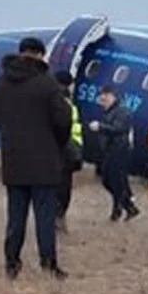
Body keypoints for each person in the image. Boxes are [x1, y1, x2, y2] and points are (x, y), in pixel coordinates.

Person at [0, 37, 73, 279]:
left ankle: (11, 263)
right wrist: (57, 143)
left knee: (15, 217)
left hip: (14, 161)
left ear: (20, 52)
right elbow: (63, 120)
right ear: (40, 55)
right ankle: (48, 264)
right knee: (45, 217)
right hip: (45, 161)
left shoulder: (0, 84)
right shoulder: (47, 85)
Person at [90, 86, 140, 220]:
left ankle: (125, 207)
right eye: (102, 96)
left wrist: (100, 127)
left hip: (119, 150)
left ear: (113, 96)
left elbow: (119, 128)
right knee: (109, 180)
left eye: (105, 96)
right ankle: (124, 206)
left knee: (114, 181)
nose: (103, 99)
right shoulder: (110, 112)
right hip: (111, 150)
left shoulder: (122, 112)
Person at [54, 71, 84, 234]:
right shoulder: (65, 104)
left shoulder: (57, 101)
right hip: (66, 152)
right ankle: (58, 217)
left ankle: (56, 217)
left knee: (58, 187)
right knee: (62, 188)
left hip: (63, 151)